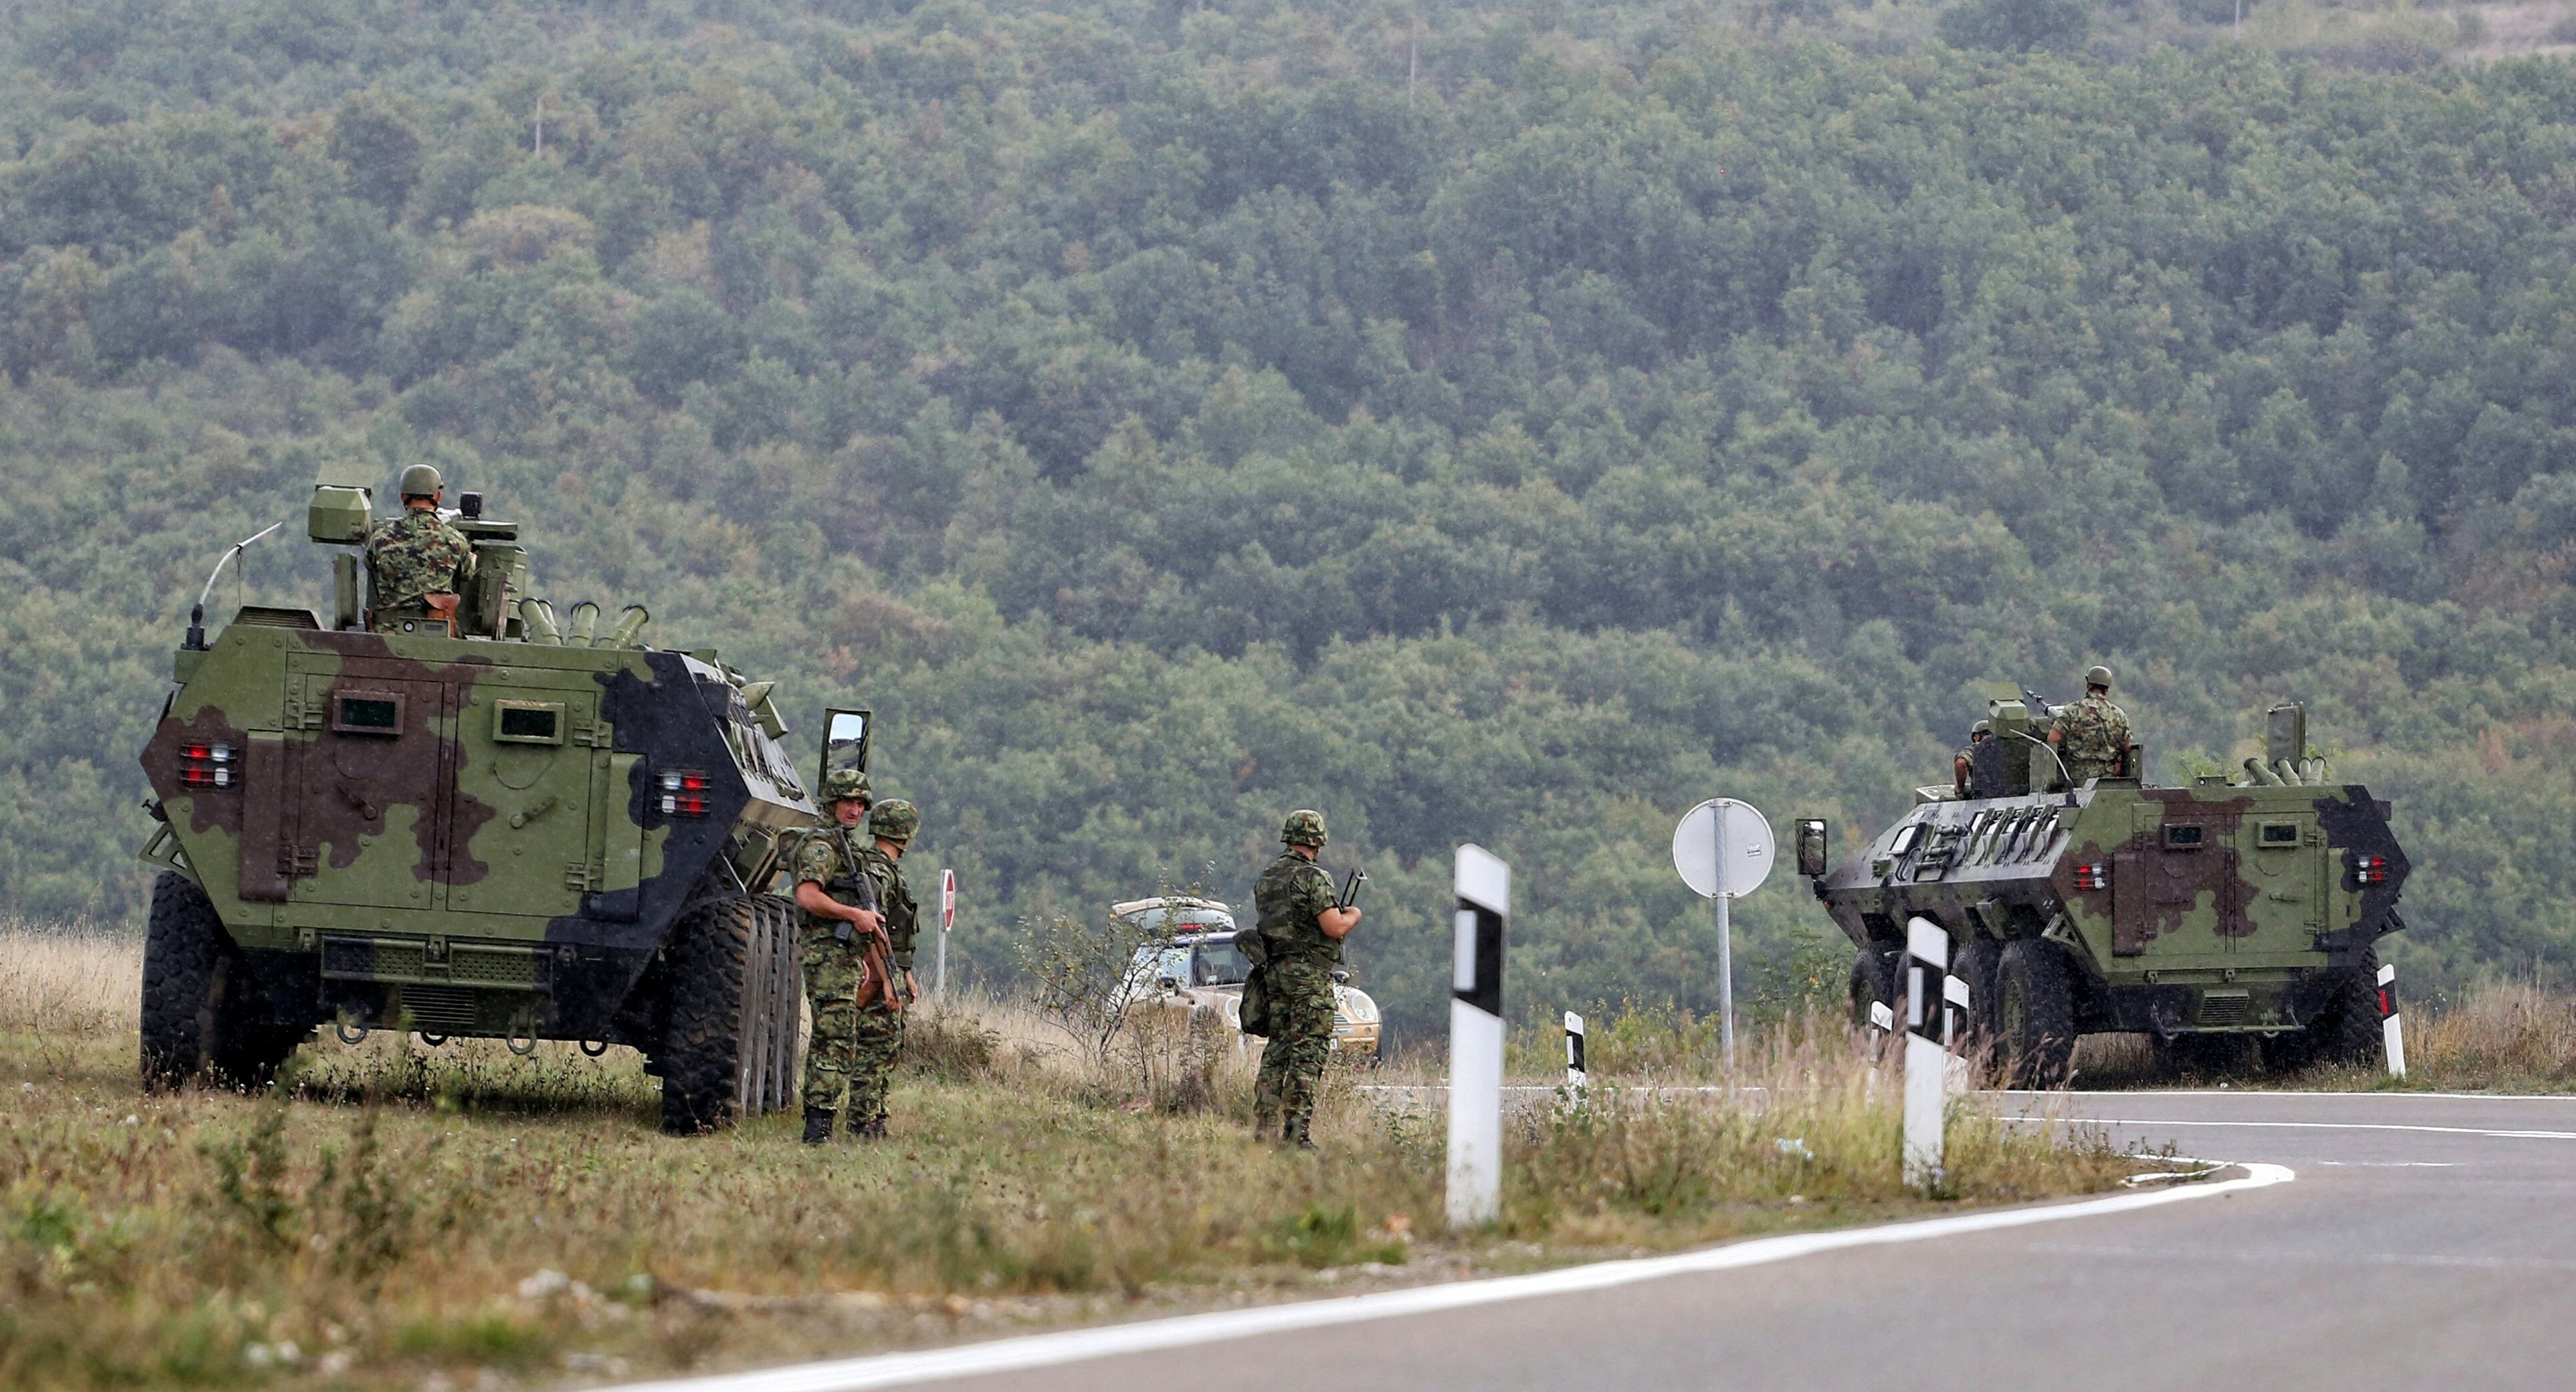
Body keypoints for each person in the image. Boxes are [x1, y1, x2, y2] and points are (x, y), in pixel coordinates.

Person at [1251, 809, 1360, 1149]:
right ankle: (1296, 1133)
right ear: (1318, 841)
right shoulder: (1314, 877)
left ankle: (1263, 1127)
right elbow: (1333, 926)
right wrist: (1353, 915)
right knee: (1308, 1052)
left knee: (1278, 1049)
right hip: (1309, 978)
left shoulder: (1268, 877)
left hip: (1275, 973)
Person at [793, 768, 883, 1145]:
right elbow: (807, 896)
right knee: (834, 1038)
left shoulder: (842, 845)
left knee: (838, 1037)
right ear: (832, 803)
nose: (855, 810)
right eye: (849, 801)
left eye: (861, 804)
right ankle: (819, 1127)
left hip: (841, 956)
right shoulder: (822, 846)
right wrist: (853, 916)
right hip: (826, 957)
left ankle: (822, 1122)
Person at [845, 798, 922, 1140]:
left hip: (890, 971)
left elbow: (896, 932)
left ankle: (874, 1119)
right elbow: (874, 931)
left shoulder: (885, 871)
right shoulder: (878, 872)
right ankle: (863, 1123)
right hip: (878, 974)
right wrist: (888, 981)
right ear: (904, 834)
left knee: (888, 1047)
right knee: (874, 1051)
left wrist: (904, 974)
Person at [365, 463, 475, 629]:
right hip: (437, 631)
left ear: (403, 497)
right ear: (438, 497)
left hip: (388, 631)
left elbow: (370, 564)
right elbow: (467, 574)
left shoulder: (381, 537)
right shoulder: (455, 539)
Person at [2050, 665, 2134, 785]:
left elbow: (2053, 739)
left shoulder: (2073, 710)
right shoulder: (2119, 715)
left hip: (2078, 778)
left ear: (2088, 685)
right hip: (2108, 780)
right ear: (2107, 689)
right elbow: (2127, 746)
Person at [1953, 720, 1991, 798]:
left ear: (1977, 737)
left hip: (1983, 797)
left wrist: (1960, 787)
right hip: (2012, 795)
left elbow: (1960, 763)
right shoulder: (2008, 748)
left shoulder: (1976, 750)